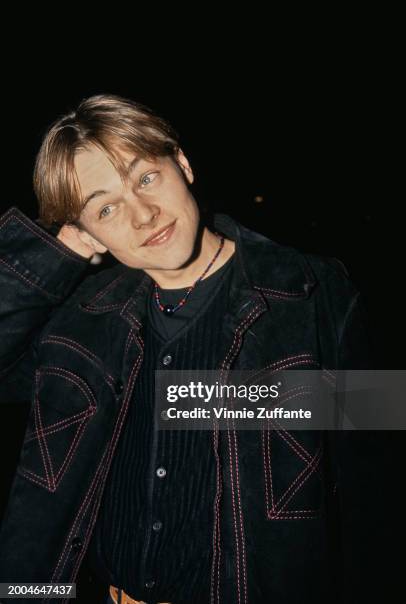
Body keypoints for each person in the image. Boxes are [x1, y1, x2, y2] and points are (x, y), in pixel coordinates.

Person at [0, 93, 377, 604]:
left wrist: (193, 399)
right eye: (105, 208)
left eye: (146, 178)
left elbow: (372, 474)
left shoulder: (308, 293)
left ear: (182, 162)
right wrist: (52, 256)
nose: (143, 215)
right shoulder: (82, 320)